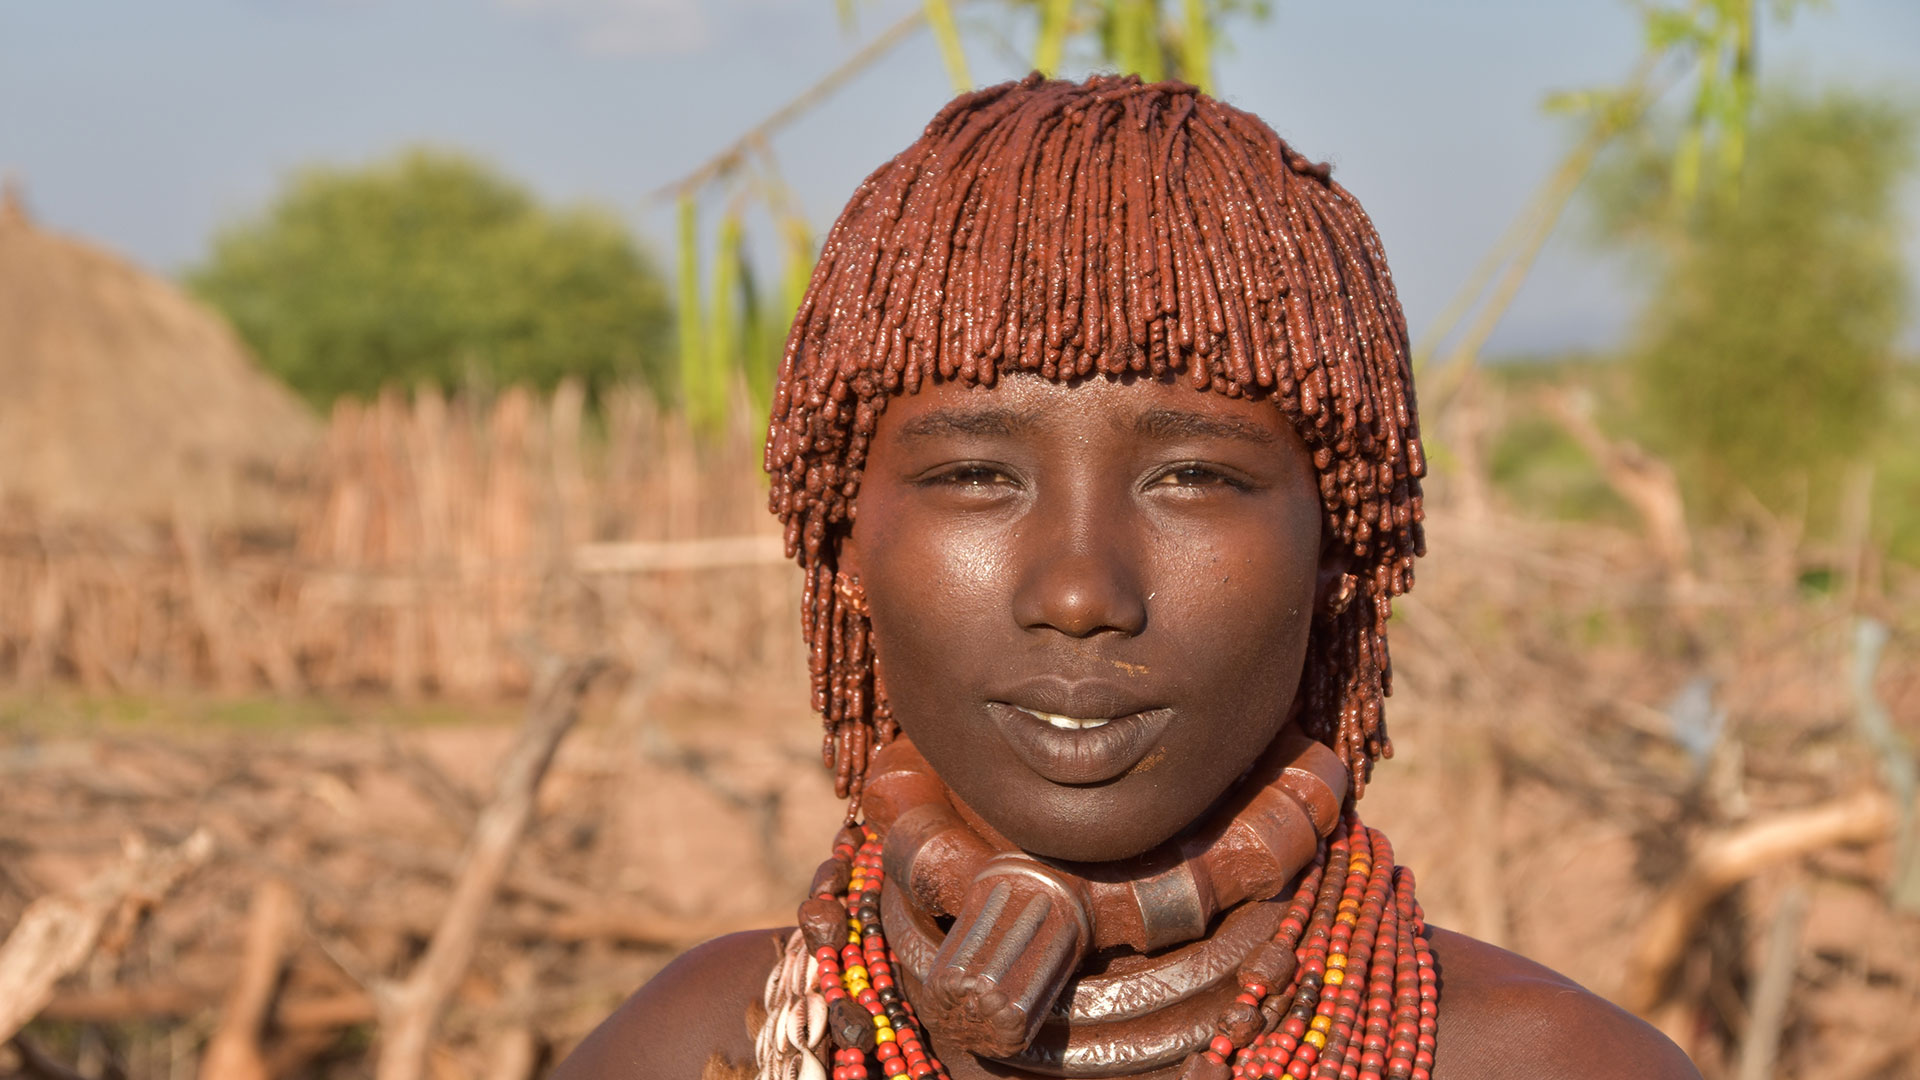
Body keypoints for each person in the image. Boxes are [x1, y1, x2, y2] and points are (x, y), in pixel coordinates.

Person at [554, 74, 1698, 1080]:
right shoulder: (701, 1050)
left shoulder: (1552, 1067)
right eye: (972, 475)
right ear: (843, 541)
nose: (1081, 592)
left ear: (1341, 542)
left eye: (1195, 475)